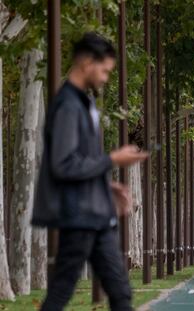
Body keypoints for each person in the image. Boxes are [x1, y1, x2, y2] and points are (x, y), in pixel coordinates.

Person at [32, 32, 149, 311]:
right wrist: (112, 159)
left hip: (96, 213)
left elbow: (80, 162)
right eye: (105, 70)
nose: (106, 78)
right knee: (61, 291)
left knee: (121, 292)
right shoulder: (68, 106)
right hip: (78, 216)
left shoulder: (84, 103)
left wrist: (105, 184)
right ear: (86, 62)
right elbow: (63, 164)